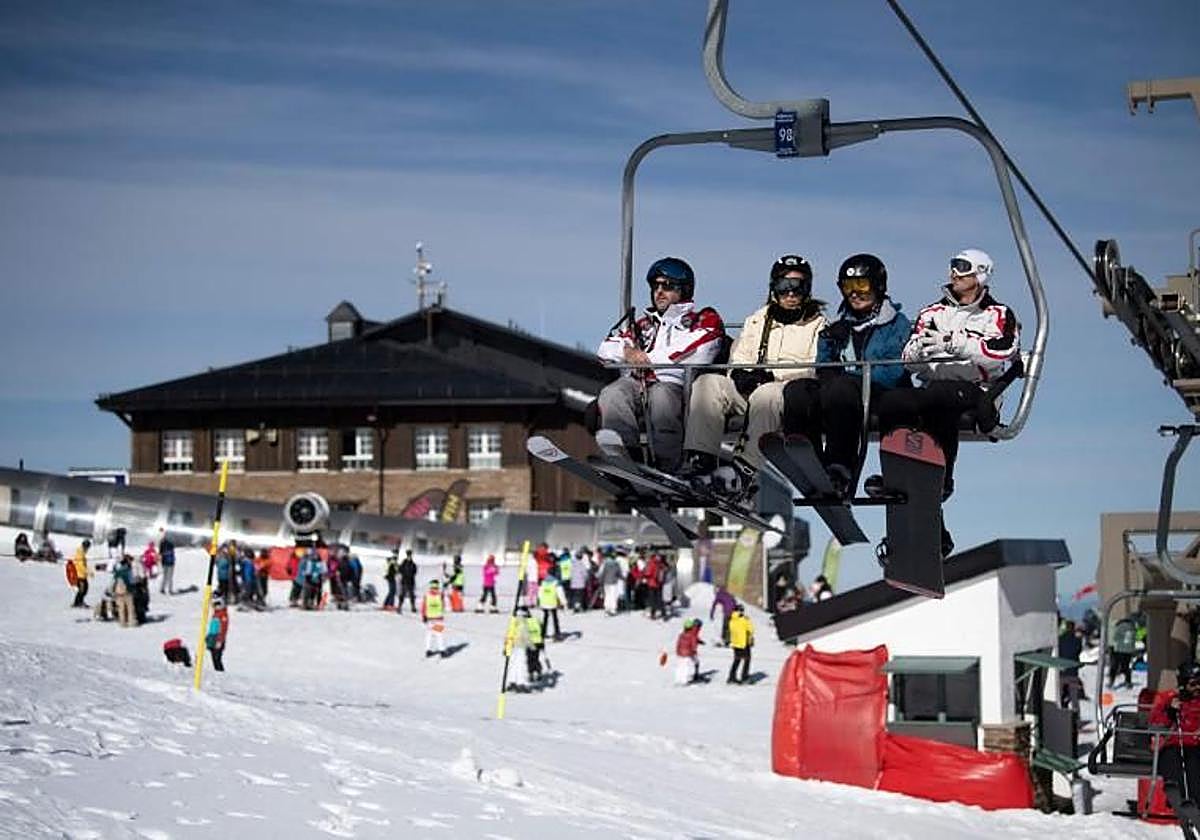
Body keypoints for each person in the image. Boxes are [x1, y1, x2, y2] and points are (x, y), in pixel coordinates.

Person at [875, 248, 1020, 552]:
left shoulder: (998, 314)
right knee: (893, 401)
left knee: (940, 397)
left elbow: (1003, 350)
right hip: (934, 387)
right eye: (953, 266)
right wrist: (914, 356)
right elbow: (912, 359)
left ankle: (942, 479)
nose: (954, 272)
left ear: (981, 274)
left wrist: (957, 343)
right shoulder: (932, 313)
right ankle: (898, 476)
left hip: (976, 390)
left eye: (962, 267)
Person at [681, 254, 825, 494]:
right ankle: (700, 460)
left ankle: (742, 471)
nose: (790, 293)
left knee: (766, 395)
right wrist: (740, 374)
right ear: (774, 288)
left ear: (807, 290)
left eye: (798, 287)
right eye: (784, 286)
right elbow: (740, 357)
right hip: (751, 389)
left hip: (784, 395)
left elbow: (815, 369)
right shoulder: (757, 321)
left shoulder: (817, 325)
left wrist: (774, 378)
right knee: (708, 383)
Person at [782, 253, 911, 495]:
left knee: (842, 387)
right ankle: (809, 460)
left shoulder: (897, 324)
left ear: (878, 285)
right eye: (848, 286)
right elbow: (823, 366)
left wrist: (853, 378)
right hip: (841, 394)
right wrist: (828, 341)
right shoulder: (839, 325)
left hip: (881, 393)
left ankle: (839, 467)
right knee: (798, 389)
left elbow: (895, 370)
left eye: (861, 284)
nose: (854, 292)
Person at [597, 256, 726, 472]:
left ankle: (668, 465)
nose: (659, 291)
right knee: (614, 393)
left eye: (667, 286)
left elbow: (699, 349)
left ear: (683, 289)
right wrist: (627, 351)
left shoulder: (702, 320)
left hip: (676, 385)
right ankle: (629, 456)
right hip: (638, 384)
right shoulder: (644, 325)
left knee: (661, 397)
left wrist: (646, 359)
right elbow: (605, 349)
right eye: (655, 285)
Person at [1149, 661, 1200, 826]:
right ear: (1184, 683)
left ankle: (1194, 801)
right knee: (1171, 759)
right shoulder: (1169, 698)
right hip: (1174, 744)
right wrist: (1170, 712)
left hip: (1196, 746)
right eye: (1193, 683)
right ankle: (1177, 794)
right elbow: (1155, 722)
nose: (1197, 687)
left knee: (1193, 765)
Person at [727, 604, 754, 685]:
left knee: (737, 660)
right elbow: (751, 629)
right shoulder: (744, 619)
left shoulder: (731, 620)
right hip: (744, 642)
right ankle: (744, 677)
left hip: (735, 643)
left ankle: (731, 677)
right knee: (747, 660)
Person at [420, 578, 447, 658]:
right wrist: (424, 615)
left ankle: (430, 650)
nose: (435, 589)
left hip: (432, 618)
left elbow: (424, 606)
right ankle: (439, 650)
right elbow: (442, 605)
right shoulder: (439, 595)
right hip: (436, 618)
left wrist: (424, 616)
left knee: (431, 634)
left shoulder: (428, 595)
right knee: (437, 634)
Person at [674, 618, 705, 685]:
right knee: (685, 667)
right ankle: (684, 680)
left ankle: (678, 679)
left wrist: (677, 651)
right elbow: (693, 643)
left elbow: (678, 643)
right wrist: (694, 650)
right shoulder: (692, 634)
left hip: (680, 653)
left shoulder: (682, 634)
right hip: (688, 653)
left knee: (680, 666)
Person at [1109, 616, 1137, 689]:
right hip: (1128, 650)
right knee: (1126, 666)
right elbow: (1133, 639)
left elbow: (1115, 637)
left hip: (1118, 649)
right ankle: (1128, 681)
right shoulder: (1132, 627)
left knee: (1114, 665)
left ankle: (1111, 681)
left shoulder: (1119, 626)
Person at [538, 571, 567, 642]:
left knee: (545, 618)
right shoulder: (556, 583)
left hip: (544, 602)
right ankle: (557, 634)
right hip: (552, 603)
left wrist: (539, 601)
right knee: (555, 619)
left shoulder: (543, 582)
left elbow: (539, 593)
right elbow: (560, 594)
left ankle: (543, 633)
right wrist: (564, 603)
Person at [205, 597, 230, 671]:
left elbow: (223, 629)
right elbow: (213, 627)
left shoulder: (223, 615)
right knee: (214, 658)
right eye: (214, 604)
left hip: (218, 638)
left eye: (218, 604)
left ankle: (220, 672)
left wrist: (220, 640)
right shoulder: (215, 614)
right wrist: (208, 636)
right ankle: (217, 671)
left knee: (217, 658)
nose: (216, 606)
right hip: (212, 637)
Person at [113, 555, 135, 627]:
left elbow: (114, 581)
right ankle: (131, 622)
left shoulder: (118, 572)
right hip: (127, 591)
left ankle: (122, 622)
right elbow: (131, 581)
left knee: (121, 608)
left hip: (118, 591)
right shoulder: (128, 571)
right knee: (130, 607)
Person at [599, 548, 622, 616]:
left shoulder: (605, 563)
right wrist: (623, 578)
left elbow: (603, 573)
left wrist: (601, 580)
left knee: (607, 595)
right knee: (613, 595)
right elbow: (618, 573)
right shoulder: (616, 563)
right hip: (613, 581)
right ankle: (613, 609)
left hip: (606, 581)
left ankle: (607, 608)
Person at [71, 540, 91, 608]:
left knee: (85, 589)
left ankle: (79, 602)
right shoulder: (80, 553)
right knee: (82, 589)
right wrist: (87, 571)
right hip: (79, 575)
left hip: (82, 575)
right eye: (87, 547)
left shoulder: (82, 553)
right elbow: (80, 565)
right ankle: (78, 603)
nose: (87, 549)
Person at [398, 548, 418, 614]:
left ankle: (413, 607)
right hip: (404, 581)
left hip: (411, 581)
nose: (409, 556)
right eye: (408, 554)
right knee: (402, 594)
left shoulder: (413, 564)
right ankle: (399, 606)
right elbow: (400, 570)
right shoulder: (404, 563)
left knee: (411, 595)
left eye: (410, 554)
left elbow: (415, 572)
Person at [158, 531, 176, 595]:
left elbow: (160, 552)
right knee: (169, 577)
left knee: (166, 576)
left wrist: (163, 554)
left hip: (166, 562)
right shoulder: (168, 542)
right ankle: (168, 590)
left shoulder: (163, 542)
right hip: (169, 562)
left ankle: (163, 589)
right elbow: (172, 551)